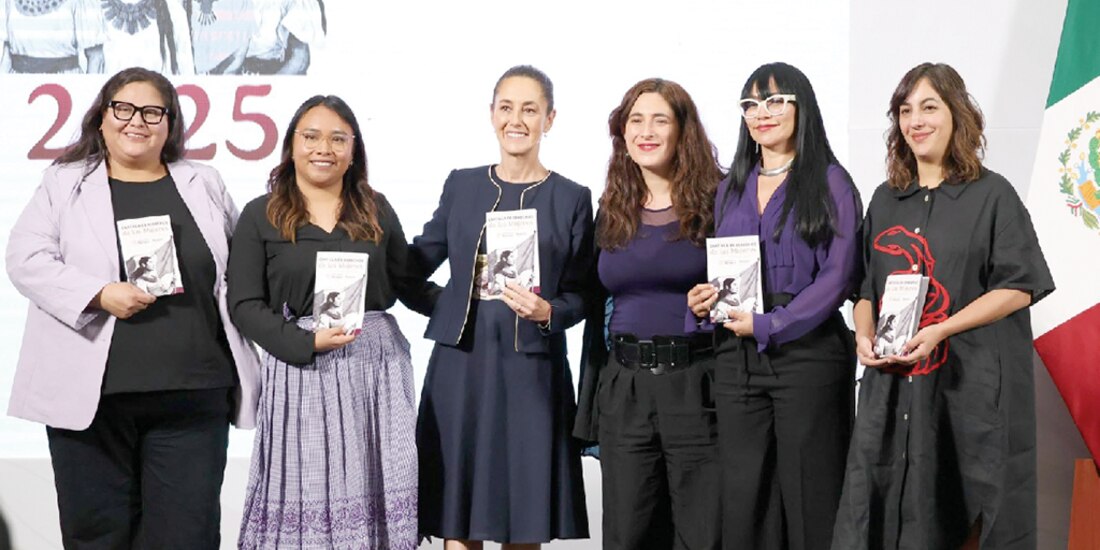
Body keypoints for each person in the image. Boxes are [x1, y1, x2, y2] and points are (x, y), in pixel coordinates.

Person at [5, 66, 260, 548]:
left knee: (187, 537)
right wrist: (99, 293)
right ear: (101, 117)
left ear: (170, 123)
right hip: (92, 402)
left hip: (193, 395)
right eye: (123, 108)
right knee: (96, 535)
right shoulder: (64, 183)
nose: (136, 121)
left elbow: (241, 268)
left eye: (151, 111)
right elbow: (25, 259)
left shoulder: (203, 181)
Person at [832, 62, 1055, 550]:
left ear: (957, 114)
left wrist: (941, 329)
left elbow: (1020, 286)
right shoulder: (886, 200)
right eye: (906, 111)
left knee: (966, 509)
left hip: (966, 389)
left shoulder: (992, 195)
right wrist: (863, 336)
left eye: (929, 107)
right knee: (885, 505)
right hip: (894, 388)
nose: (916, 121)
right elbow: (865, 289)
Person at [228, 95, 433, 550]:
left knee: (377, 494)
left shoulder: (375, 209)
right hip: (301, 368)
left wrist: (479, 305)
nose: (325, 148)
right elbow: (243, 303)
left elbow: (410, 284)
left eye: (338, 138)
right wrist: (303, 343)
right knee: (306, 497)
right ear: (291, 145)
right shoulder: (260, 214)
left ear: (354, 149)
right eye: (312, 136)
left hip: (375, 370)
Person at [412, 64, 591, 549]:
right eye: (507, 107)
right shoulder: (463, 185)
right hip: (461, 367)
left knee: (523, 519)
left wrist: (549, 313)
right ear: (492, 114)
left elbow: (584, 293)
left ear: (549, 119)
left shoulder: (572, 197)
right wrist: (448, 303)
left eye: (530, 109)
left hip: (532, 373)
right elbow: (412, 266)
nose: (517, 119)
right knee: (458, 517)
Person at [686, 62, 862, 550]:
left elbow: (840, 276)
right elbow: (724, 269)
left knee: (811, 497)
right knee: (744, 499)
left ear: (801, 107)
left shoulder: (831, 182)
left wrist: (774, 323)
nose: (762, 113)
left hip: (806, 356)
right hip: (736, 357)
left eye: (775, 101)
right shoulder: (731, 187)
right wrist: (704, 302)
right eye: (751, 105)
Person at [573, 77, 724, 550]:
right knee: (628, 534)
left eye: (660, 119)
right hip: (625, 388)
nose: (646, 130)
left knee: (701, 533)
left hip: (697, 382)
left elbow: (748, 285)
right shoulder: (611, 208)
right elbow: (588, 297)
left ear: (683, 130)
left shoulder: (720, 201)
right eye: (636, 120)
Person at [1, 0, 105, 73]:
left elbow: (96, 58)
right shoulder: (10, 1)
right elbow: (7, 56)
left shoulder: (82, 1)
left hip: (66, 87)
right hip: (19, 86)